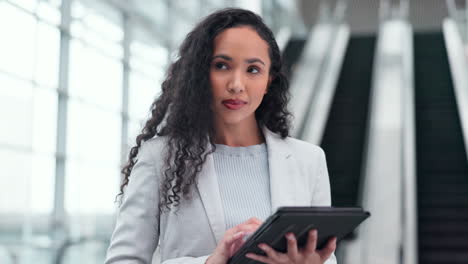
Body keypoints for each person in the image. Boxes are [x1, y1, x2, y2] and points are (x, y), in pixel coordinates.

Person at [105, 8, 337, 264]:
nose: (237, 84)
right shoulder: (161, 158)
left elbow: (325, 256)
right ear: (200, 74)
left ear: (269, 80)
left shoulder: (309, 160)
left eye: (253, 70)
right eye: (222, 66)